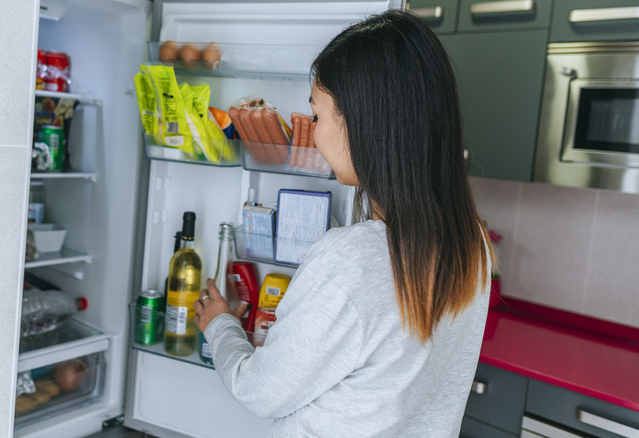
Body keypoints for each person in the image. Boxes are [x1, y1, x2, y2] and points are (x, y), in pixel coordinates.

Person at [194, 9, 493, 437]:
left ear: (361, 123)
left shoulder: (352, 261)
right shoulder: (472, 244)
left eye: (316, 115)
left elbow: (260, 390)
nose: (313, 133)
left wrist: (220, 325)